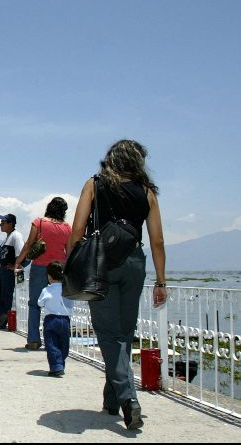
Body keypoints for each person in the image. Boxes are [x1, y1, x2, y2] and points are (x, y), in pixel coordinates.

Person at [67, 139, 166, 430]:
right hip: (135, 261)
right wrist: (161, 281)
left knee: (108, 334)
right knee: (124, 331)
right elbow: (157, 241)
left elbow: (77, 230)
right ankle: (112, 400)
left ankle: (127, 399)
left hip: (102, 264)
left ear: (111, 158)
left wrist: (72, 264)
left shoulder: (94, 184)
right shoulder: (147, 192)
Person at [14, 197, 72, 350]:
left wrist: (19, 261)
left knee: (34, 304)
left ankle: (33, 339)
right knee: (62, 303)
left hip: (40, 266)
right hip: (60, 268)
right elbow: (69, 249)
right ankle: (60, 339)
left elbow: (28, 244)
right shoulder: (67, 227)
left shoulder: (39, 222)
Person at [0, 214, 24, 329]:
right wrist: (1, 266)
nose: (0, 224)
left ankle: (2, 320)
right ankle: (1, 318)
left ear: (10, 223)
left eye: (3, 222)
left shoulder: (16, 236)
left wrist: (16, 266)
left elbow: (21, 252)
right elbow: (6, 255)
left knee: (6, 296)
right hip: (4, 270)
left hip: (9, 272)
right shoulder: (8, 237)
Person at [37, 261, 73, 377]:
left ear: (49, 276)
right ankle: (60, 364)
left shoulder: (47, 290)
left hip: (51, 320)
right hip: (65, 320)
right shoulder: (68, 289)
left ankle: (56, 367)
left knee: (52, 344)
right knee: (64, 344)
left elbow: (40, 303)